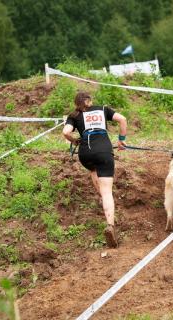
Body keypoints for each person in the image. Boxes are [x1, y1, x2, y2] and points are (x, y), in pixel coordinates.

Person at [63, 91, 127, 248]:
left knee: (94, 172)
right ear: (89, 101)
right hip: (104, 151)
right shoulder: (102, 109)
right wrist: (121, 140)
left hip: (85, 154)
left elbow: (65, 132)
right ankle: (110, 225)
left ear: (77, 103)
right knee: (107, 192)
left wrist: (75, 140)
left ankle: (106, 206)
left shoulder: (74, 115)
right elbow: (122, 119)